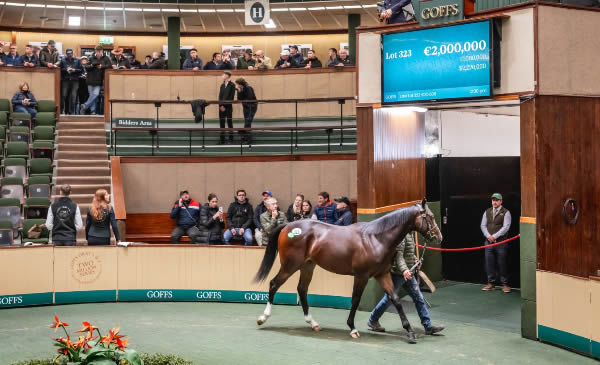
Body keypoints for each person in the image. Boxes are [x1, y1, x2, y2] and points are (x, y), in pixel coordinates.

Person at [367, 233, 445, 336]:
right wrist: (404, 270)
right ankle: (373, 320)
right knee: (389, 299)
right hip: (398, 273)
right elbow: (399, 256)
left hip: (408, 273)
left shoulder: (409, 232)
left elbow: (407, 252)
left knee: (418, 297)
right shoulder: (402, 233)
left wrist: (415, 260)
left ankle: (428, 326)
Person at [481, 193, 512, 293]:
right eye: (493, 200)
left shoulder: (506, 212)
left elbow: (506, 227)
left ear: (501, 201)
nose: (494, 202)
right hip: (489, 242)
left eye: (496, 200)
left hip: (501, 243)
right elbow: (483, 225)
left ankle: (505, 284)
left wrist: (494, 236)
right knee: (489, 263)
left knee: (502, 263)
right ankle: (491, 283)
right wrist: (488, 237)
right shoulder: (487, 211)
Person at [81, 45, 111, 115]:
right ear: (95, 51)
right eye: (97, 51)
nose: (98, 53)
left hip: (99, 80)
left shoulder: (106, 58)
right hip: (90, 79)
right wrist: (92, 65)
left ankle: (85, 105)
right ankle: (93, 111)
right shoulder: (91, 58)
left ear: (102, 51)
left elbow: (110, 66)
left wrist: (102, 66)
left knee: (96, 94)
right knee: (92, 95)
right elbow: (86, 67)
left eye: (100, 51)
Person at [60, 48, 83, 115]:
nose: (69, 55)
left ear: (72, 53)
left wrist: (74, 70)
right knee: (64, 96)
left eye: (70, 54)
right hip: (65, 80)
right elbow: (60, 70)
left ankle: (72, 112)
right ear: (66, 54)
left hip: (75, 80)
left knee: (73, 97)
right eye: (68, 54)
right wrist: (66, 69)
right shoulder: (63, 60)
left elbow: (81, 70)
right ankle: (62, 111)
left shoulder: (77, 60)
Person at [235, 77, 258, 144]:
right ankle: (246, 138)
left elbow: (250, 98)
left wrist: (241, 92)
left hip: (251, 107)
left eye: (237, 84)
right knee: (247, 122)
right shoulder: (241, 88)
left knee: (247, 122)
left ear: (240, 84)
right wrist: (239, 90)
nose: (236, 85)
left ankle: (248, 139)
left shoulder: (248, 88)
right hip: (246, 107)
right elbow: (239, 99)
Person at [218, 71, 236, 144]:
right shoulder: (222, 85)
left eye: (223, 74)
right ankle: (222, 140)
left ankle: (231, 139)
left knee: (229, 123)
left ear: (227, 76)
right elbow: (220, 96)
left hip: (228, 107)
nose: (222, 75)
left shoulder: (232, 85)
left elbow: (231, 97)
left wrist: (224, 105)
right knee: (222, 123)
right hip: (221, 107)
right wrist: (220, 105)